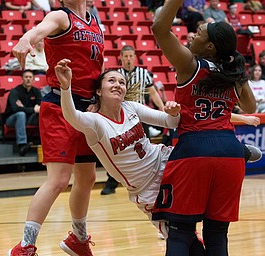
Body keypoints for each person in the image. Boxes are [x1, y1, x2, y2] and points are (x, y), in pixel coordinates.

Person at [55, 59, 262, 253]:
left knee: (192, 150)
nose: (118, 84)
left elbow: (172, 123)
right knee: (183, 239)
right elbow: (71, 116)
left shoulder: (131, 107)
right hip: (146, 188)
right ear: (99, 90)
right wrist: (66, 87)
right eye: (111, 81)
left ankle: (238, 152)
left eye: (122, 81)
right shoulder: (95, 122)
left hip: (164, 161)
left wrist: (173, 112)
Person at [152, 0, 257, 253]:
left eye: (199, 33)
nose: (193, 34)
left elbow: (158, 27)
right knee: (217, 234)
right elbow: (251, 107)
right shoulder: (232, 73)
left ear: (210, 46)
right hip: (231, 155)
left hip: (194, 151)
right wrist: (238, 70)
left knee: (179, 232)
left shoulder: (190, 64)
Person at [8, 0, 104, 255]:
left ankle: (78, 239)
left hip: (87, 109)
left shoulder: (95, 21)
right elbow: (40, 29)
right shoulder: (61, 17)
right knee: (59, 179)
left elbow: (96, 68)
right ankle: (25, 246)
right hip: (61, 104)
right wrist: (26, 39)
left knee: (87, 177)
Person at [100, 45, 165, 196]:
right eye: (126, 56)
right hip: (120, 117)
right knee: (118, 151)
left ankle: (151, 180)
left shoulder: (144, 73)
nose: (128, 59)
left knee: (146, 149)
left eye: (131, 56)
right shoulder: (117, 75)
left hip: (139, 117)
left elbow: (153, 93)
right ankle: (111, 183)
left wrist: (161, 108)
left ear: (134, 57)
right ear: (121, 58)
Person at [4, 69, 41, 156]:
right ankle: (22, 145)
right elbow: (15, 109)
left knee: (42, 114)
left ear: (33, 79)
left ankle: (43, 142)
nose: (28, 79)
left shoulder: (36, 91)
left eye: (30, 77)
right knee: (21, 114)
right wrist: (32, 109)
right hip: (12, 119)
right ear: (22, 79)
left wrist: (23, 108)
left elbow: (40, 107)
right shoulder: (15, 91)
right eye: (26, 77)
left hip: (29, 118)